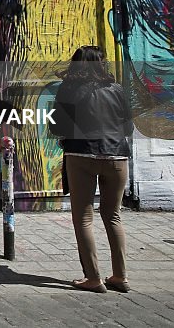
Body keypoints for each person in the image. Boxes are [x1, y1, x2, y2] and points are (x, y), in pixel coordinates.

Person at [50, 45, 133, 293]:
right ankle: (120, 276)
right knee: (113, 214)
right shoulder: (116, 89)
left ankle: (93, 278)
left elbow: (57, 126)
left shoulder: (69, 89)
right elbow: (127, 127)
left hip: (81, 154)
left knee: (84, 217)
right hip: (116, 156)